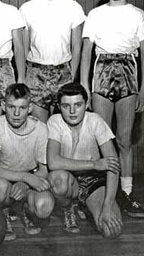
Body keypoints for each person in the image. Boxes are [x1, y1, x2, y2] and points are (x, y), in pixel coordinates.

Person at [80, 0, 144, 218]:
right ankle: (96, 192)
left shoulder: (138, 15)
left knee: (124, 139)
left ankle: (126, 193)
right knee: (100, 138)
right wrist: (83, 87)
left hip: (127, 72)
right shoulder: (95, 14)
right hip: (101, 70)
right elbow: (86, 53)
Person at [47, 82, 122, 238]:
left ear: (87, 104)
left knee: (110, 231)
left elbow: (113, 165)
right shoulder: (54, 121)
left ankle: (87, 206)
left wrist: (107, 206)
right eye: (66, 106)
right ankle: (69, 207)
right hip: (69, 179)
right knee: (58, 179)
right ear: (59, 107)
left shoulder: (95, 121)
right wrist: (94, 164)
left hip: (92, 181)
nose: (72, 111)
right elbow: (53, 162)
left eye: (78, 105)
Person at [19, 0, 85, 123]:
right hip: (35, 73)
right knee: (39, 130)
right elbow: (23, 48)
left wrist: (72, 75)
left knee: (62, 130)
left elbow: (77, 47)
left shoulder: (73, 7)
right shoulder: (27, 9)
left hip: (63, 73)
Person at [0, 83, 54, 241]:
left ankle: (25, 210)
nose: (16, 113)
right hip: (3, 178)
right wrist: (24, 177)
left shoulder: (41, 128)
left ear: (30, 108)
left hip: (30, 178)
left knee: (44, 206)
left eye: (22, 108)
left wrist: (27, 183)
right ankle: (4, 214)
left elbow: (44, 170)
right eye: (11, 107)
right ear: (3, 105)